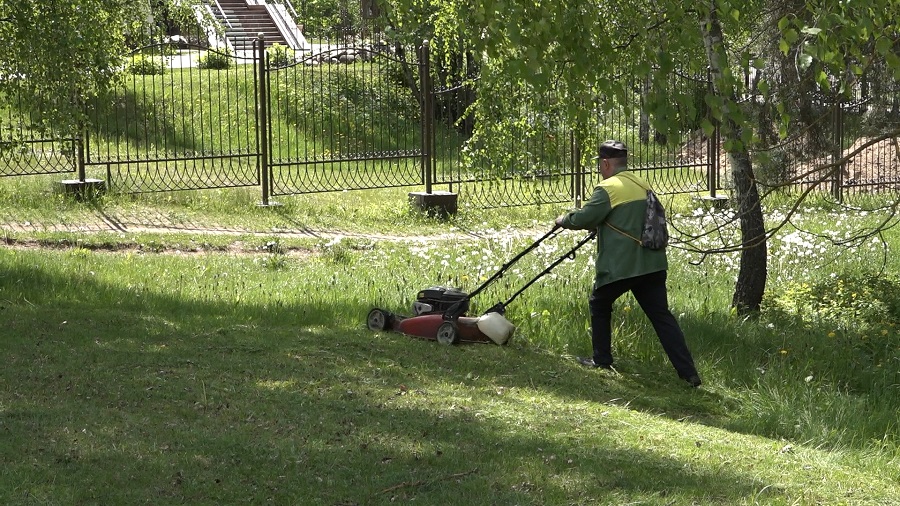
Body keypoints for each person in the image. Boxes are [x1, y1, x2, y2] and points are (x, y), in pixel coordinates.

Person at [555, 140, 702, 387]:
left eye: (601, 165)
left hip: (624, 266)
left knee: (599, 303)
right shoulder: (641, 184)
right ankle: (689, 374)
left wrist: (564, 219)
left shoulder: (608, 188)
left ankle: (601, 359)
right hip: (653, 264)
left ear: (605, 163)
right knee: (662, 317)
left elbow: (587, 217)